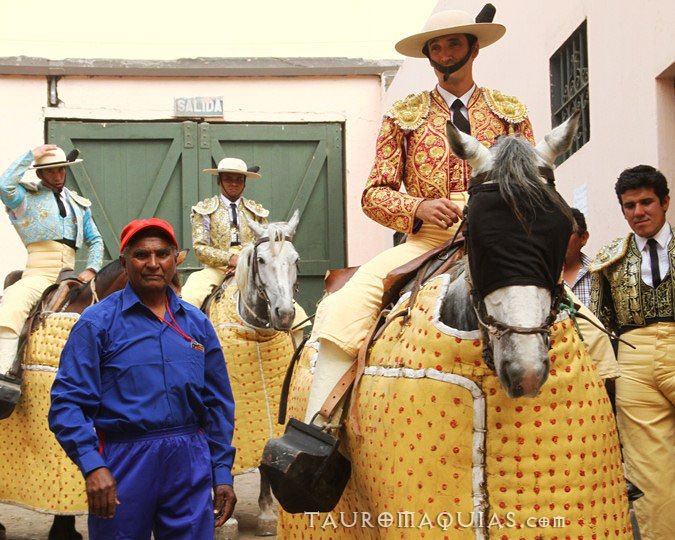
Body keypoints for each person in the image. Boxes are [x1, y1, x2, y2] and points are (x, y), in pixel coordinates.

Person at [304, 7, 536, 421]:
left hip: (503, 240)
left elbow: (533, 185)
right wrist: (418, 206)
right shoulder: (404, 115)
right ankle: (317, 431)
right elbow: (373, 195)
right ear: (428, 55)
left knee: (577, 315)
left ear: (474, 48)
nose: (445, 53)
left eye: (453, 44)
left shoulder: (510, 112)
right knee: (345, 309)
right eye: (436, 46)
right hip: (427, 240)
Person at [48, 218, 237, 539]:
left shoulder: (197, 324)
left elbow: (218, 404)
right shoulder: (97, 324)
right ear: (124, 262)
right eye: (141, 255)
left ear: (174, 260)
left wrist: (221, 471)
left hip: (188, 459)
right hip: (124, 460)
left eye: (162, 254)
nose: (153, 264)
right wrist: (93, 465)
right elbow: (67, 404)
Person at [589, 164, 674, 540]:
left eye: (646, 202)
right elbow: (601, 324)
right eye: (629, 206)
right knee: (649, 471)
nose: (638, 212)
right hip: (633, 357)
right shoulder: (608, 261)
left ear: (665, 202)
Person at [0, 144, 103, 407]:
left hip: (70, 274)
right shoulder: (23, 196)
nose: (58, 176)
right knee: (11, 306)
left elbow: (95, 239)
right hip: (38, 273)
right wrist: (30, 155)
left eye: (61, 170)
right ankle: (3, 375)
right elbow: (3, 185)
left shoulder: (79, 204)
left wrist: (91, 268)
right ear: (41, 173)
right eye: (51, 171)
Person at [181, 157, 266, 308]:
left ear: (244, 184)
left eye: (239, 179)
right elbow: (200, 248)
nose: (234, 183)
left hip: (252, 270)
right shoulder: (205, 209)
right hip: (217, 270)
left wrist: (245, 261)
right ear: (219, 182)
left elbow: (265, 246)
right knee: (190, 297)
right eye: (228, 179)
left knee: (292, 311)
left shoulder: (256, 211)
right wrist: (231, 259)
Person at [563, 207, 593, 306]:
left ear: (583, 238)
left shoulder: (600, 275)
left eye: (566, 232)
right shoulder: (543, 277)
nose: (559, 239)